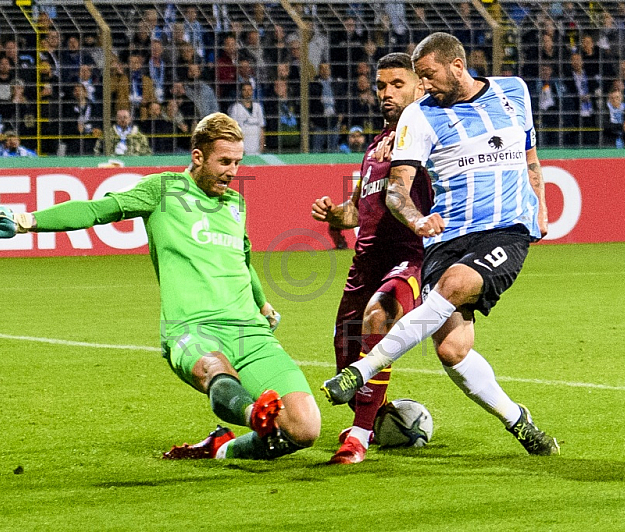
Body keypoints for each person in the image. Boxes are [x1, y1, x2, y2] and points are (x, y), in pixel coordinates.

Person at [0, 112, 321, 460]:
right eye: (224, 161)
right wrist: (24, 221)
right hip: (193, 330)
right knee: (217, 373)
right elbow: (98, 210)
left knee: (305, 428)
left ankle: (223, 448)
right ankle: (251, 413)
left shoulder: (235, 203)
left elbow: (241, 259)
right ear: (198, 156)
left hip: (250, 332)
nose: (233, 172)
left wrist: (262, 304)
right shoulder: (164, 189)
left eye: (238, 162)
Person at [321, 32, 560, 456]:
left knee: (454, 284)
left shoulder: (513, 91)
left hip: (505, 229)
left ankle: (363, 371)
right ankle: (518, 421)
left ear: (457, 64)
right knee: (452, 349)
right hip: (445, 238)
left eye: (426, 76)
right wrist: (416, 218)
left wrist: (539, 207)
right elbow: (396, 191)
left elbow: (531, 158)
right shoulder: (418, 118)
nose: (424, 85)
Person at [312, 53, 432, 464]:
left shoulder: (429, 137)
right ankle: (377, 418)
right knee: (346, 350)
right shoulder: (376, 145)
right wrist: (335, 215)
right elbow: (356, 210)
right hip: (363, 266)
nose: (386, 93)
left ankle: (358, 438)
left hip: (408, 257)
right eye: (381, 85)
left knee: (379, 317)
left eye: (397, 84)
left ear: (421, 86)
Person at [227, 82, 266, 155]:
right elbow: (233, 130)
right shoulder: (236, 108)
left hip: (257, 150)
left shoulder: (258, 107)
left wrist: (262, 146)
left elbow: (262, 128)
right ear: (241, 92)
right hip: (243, 149)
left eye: (249, 90)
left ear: (252, 91)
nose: (247, 92)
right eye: (244, 90)